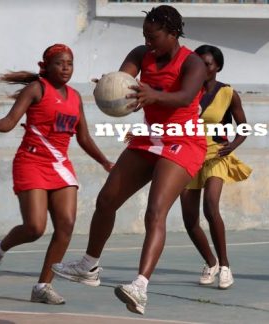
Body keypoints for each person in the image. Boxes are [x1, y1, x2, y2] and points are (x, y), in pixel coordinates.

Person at [52, 5, 207, 315]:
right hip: (150, 137)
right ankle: (89, 266)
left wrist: (153, 95)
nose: (148, 42)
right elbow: (124, 80)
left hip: (183, 140)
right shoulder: (141, 52)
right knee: (107, 199)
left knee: (155, 211)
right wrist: (112, 89)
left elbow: (186, 97)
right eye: (145, 36)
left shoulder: (193, 63)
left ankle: (140, 287)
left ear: (173, 33)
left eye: (154, 37)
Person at [0, 44, 113, 305]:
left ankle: (42, 286)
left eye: (70, 63)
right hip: (31, 161)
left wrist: (105, 162)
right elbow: (9, 121)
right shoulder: (36, 89)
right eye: (60, 63)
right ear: (46, 66)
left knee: (66, 224)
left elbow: (83, 137)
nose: (65, 68)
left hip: (60, 165)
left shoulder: (75, 97)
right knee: (35, 227)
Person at [179, 45, 251, 290]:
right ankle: (210, 262)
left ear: (217, 67)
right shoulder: (186, 91)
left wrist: (233, 146)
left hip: (215, 155)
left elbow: (243, 126)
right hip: (188, 155)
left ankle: (225, 266)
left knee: (211, 206)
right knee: (189, 219)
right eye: (198, 63)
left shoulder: (228, 93)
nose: (202, 68)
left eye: (207, 64)